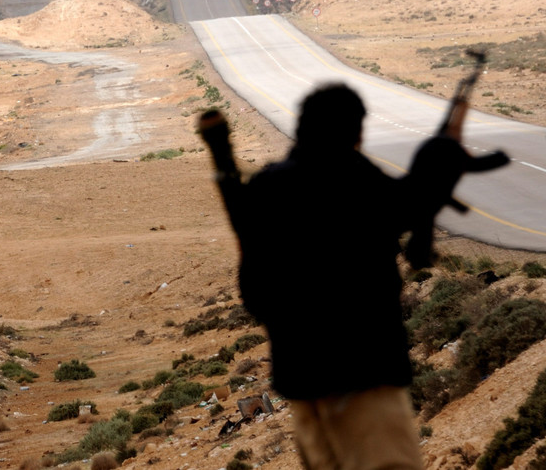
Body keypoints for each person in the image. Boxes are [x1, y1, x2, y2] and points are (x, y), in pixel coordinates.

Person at [198, 83, 469, 470]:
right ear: (356, 132)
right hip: (365, 382)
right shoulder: (360, 182)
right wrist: (445, 149)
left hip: (304, 390)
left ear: (302, 129)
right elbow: (416, 202)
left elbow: (254, 291)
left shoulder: (264, 189)